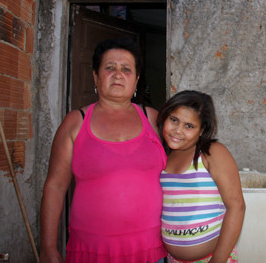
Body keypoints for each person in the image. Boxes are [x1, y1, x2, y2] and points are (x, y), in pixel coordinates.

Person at [40, 38, 167, 263]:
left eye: (126, 69)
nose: (118, 74)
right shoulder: (75, 122)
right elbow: (56, 186)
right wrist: (48, 246)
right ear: (95, 77)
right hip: (91, 251)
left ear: (136, 79)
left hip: (150, 248)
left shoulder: (154, 119)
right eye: (110, 67)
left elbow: (183, 167)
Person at [156, 90, 246, 263]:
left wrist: (218, 260)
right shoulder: (163, 156)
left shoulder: (210, 153)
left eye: (189, 126)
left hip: (212, 258)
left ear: (201, 130)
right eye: (174, 120)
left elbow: (237, 207)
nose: (178, 131)